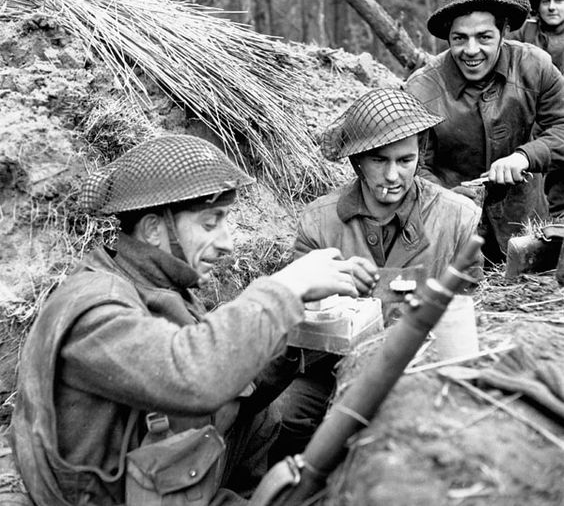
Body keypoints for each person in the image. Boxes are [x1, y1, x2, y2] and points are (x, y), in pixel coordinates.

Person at [10, 134, 376, 506]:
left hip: (162, 477)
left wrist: (304, 316)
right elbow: (194, 374)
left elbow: (234, 381)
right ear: (154, 230)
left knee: (263, 416)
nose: (226, 242)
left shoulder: (157, 286)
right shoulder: (95, 309)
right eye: (209, 223)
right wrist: (284, 285)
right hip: (109, 498)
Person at [268, 88, 482, 464]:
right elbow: (296, 316)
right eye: (378, 160)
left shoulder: (458, 218)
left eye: (406, 160)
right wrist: (333, 301)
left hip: (423, 369)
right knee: (281, 415)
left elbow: (472, 312)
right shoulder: (320, 222)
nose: (392, 175)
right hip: (330, 371)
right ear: (356, 163)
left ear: (421, 156)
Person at [404, 0, 564, 263]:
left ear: (503, 32)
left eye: (484, 37)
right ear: (448, 38)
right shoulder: (421, 88)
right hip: (451, 232)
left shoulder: (535, 66)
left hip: (526, 222)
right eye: (459, 38)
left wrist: (525, 157)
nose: (471, 50)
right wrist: (448, 198)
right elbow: (413, 164)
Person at [509, 0, 564, 217]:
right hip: (531, 120)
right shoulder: (524, 34)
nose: (552, 7)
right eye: (546, 1)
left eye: (560, 0)